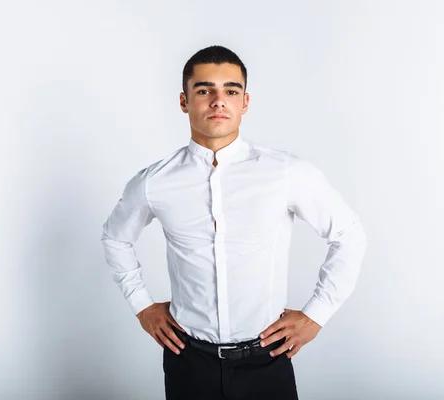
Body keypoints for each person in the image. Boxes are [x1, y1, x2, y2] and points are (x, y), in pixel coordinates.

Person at [100, 45, 367, 400]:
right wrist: (143, 307)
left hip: (266, 360)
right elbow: (115, 238)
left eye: (231, 90)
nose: (218, 101)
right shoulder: (155, 182)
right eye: (204, 90)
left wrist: (315, 316)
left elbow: (349, 235)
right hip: (188, 361)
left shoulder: (286, 172)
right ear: (184, 101)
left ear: (245, 102)